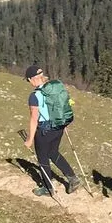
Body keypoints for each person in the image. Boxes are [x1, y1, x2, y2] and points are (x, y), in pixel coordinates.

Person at [23, 65, 81, 197]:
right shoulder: (55, 87)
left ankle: (48, 188)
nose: (29, 83)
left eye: (28, 80)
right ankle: (72, 178)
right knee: (53, 152)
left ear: (32, 79)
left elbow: (33, 119)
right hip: (58, 127)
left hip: (45, 130)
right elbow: (64, 104)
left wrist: (30, 139)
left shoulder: (35, 96)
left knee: (42, 157)